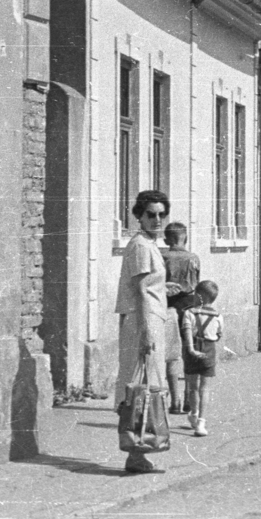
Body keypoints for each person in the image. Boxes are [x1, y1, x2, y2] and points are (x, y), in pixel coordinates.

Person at [116, 190, 171, 474]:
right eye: (151, 214)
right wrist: (146, 332)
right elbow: (139, 291)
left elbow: (149, 286)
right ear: (139, 215)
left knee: (146, 387)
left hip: (150, 319)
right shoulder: (140, 245)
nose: (157, 219)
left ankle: (139, 452)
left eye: (162, 214)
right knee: (140, 389)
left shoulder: (149, 244)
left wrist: (164, 290)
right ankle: (135, 454)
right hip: (143, 321)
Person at [160, 221, 200, 415]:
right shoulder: (193, 258)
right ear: (186, 238)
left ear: (167, 239)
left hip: (168, 305)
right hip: (189, 304)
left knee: (171, 355)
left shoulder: (162, 256)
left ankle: (174, 401)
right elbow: (196, 283)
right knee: (188, 351)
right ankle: (188, 400)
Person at [182, 280, 223, 437]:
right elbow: (219, 334)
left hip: (192, 351)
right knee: (204, 387)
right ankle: (201, 422)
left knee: (192, 386)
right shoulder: (218, 316)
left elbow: (187, 334)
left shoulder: (189, 313)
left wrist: (192, 350)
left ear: (198, 296)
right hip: (209, 350)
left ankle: (193, 413)